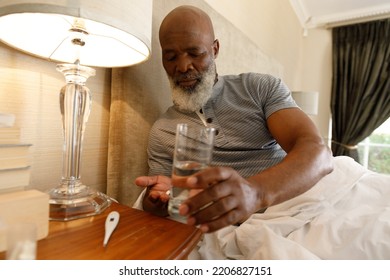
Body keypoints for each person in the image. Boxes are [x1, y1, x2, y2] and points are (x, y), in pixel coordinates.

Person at [134, 5, 333, 233]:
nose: (182, 66)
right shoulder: (162, 132)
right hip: (237, 226)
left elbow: (318, 152)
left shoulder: (260, 88)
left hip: (297, 203)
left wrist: (255, 192)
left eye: (195, 53)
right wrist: (158, 202)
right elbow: (161, 198)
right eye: (170, 57)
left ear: (215, 49)